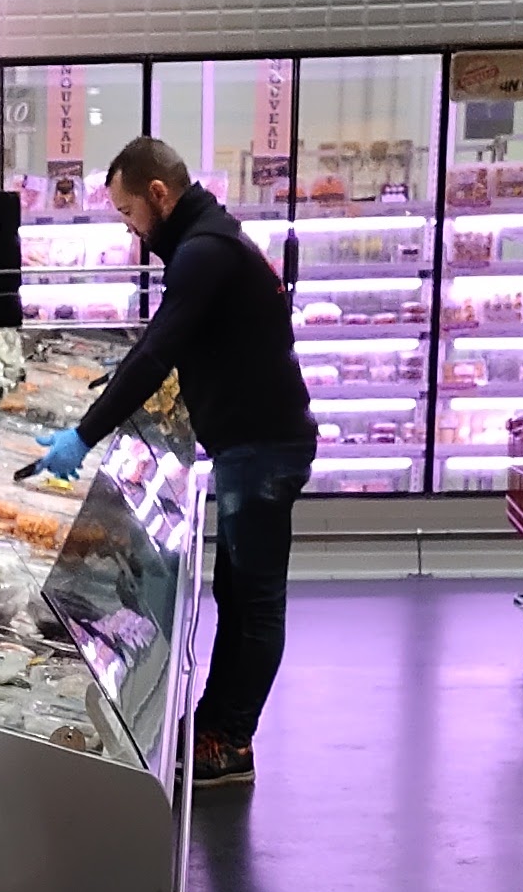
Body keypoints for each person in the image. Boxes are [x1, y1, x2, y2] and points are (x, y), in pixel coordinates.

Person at [38, 137, 316, 787]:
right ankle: (215, 723)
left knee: (255, 603)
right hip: (257, 442)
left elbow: (158, 349)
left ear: (158, 194)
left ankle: (231, 740)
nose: (129, 227)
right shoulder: (210, 239)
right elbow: (189, 339)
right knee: (237, 595)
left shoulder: (203, 251)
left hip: (262, 449)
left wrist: (84, 434)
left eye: (128, 211)